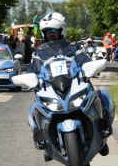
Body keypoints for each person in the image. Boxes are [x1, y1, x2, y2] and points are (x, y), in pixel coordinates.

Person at [26, 12, 112, 156]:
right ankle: (44, 141)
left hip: (74, 85)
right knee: (33, 109)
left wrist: (91, 68)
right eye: (47, 31)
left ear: (62, 30)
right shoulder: (39, 52)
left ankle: (103, 130)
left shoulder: (73, 47)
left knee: (101, 96)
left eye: (53, 30)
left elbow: (85, 60)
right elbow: (32, 69)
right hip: (52, 89)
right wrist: (29, 78)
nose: (50, 34)